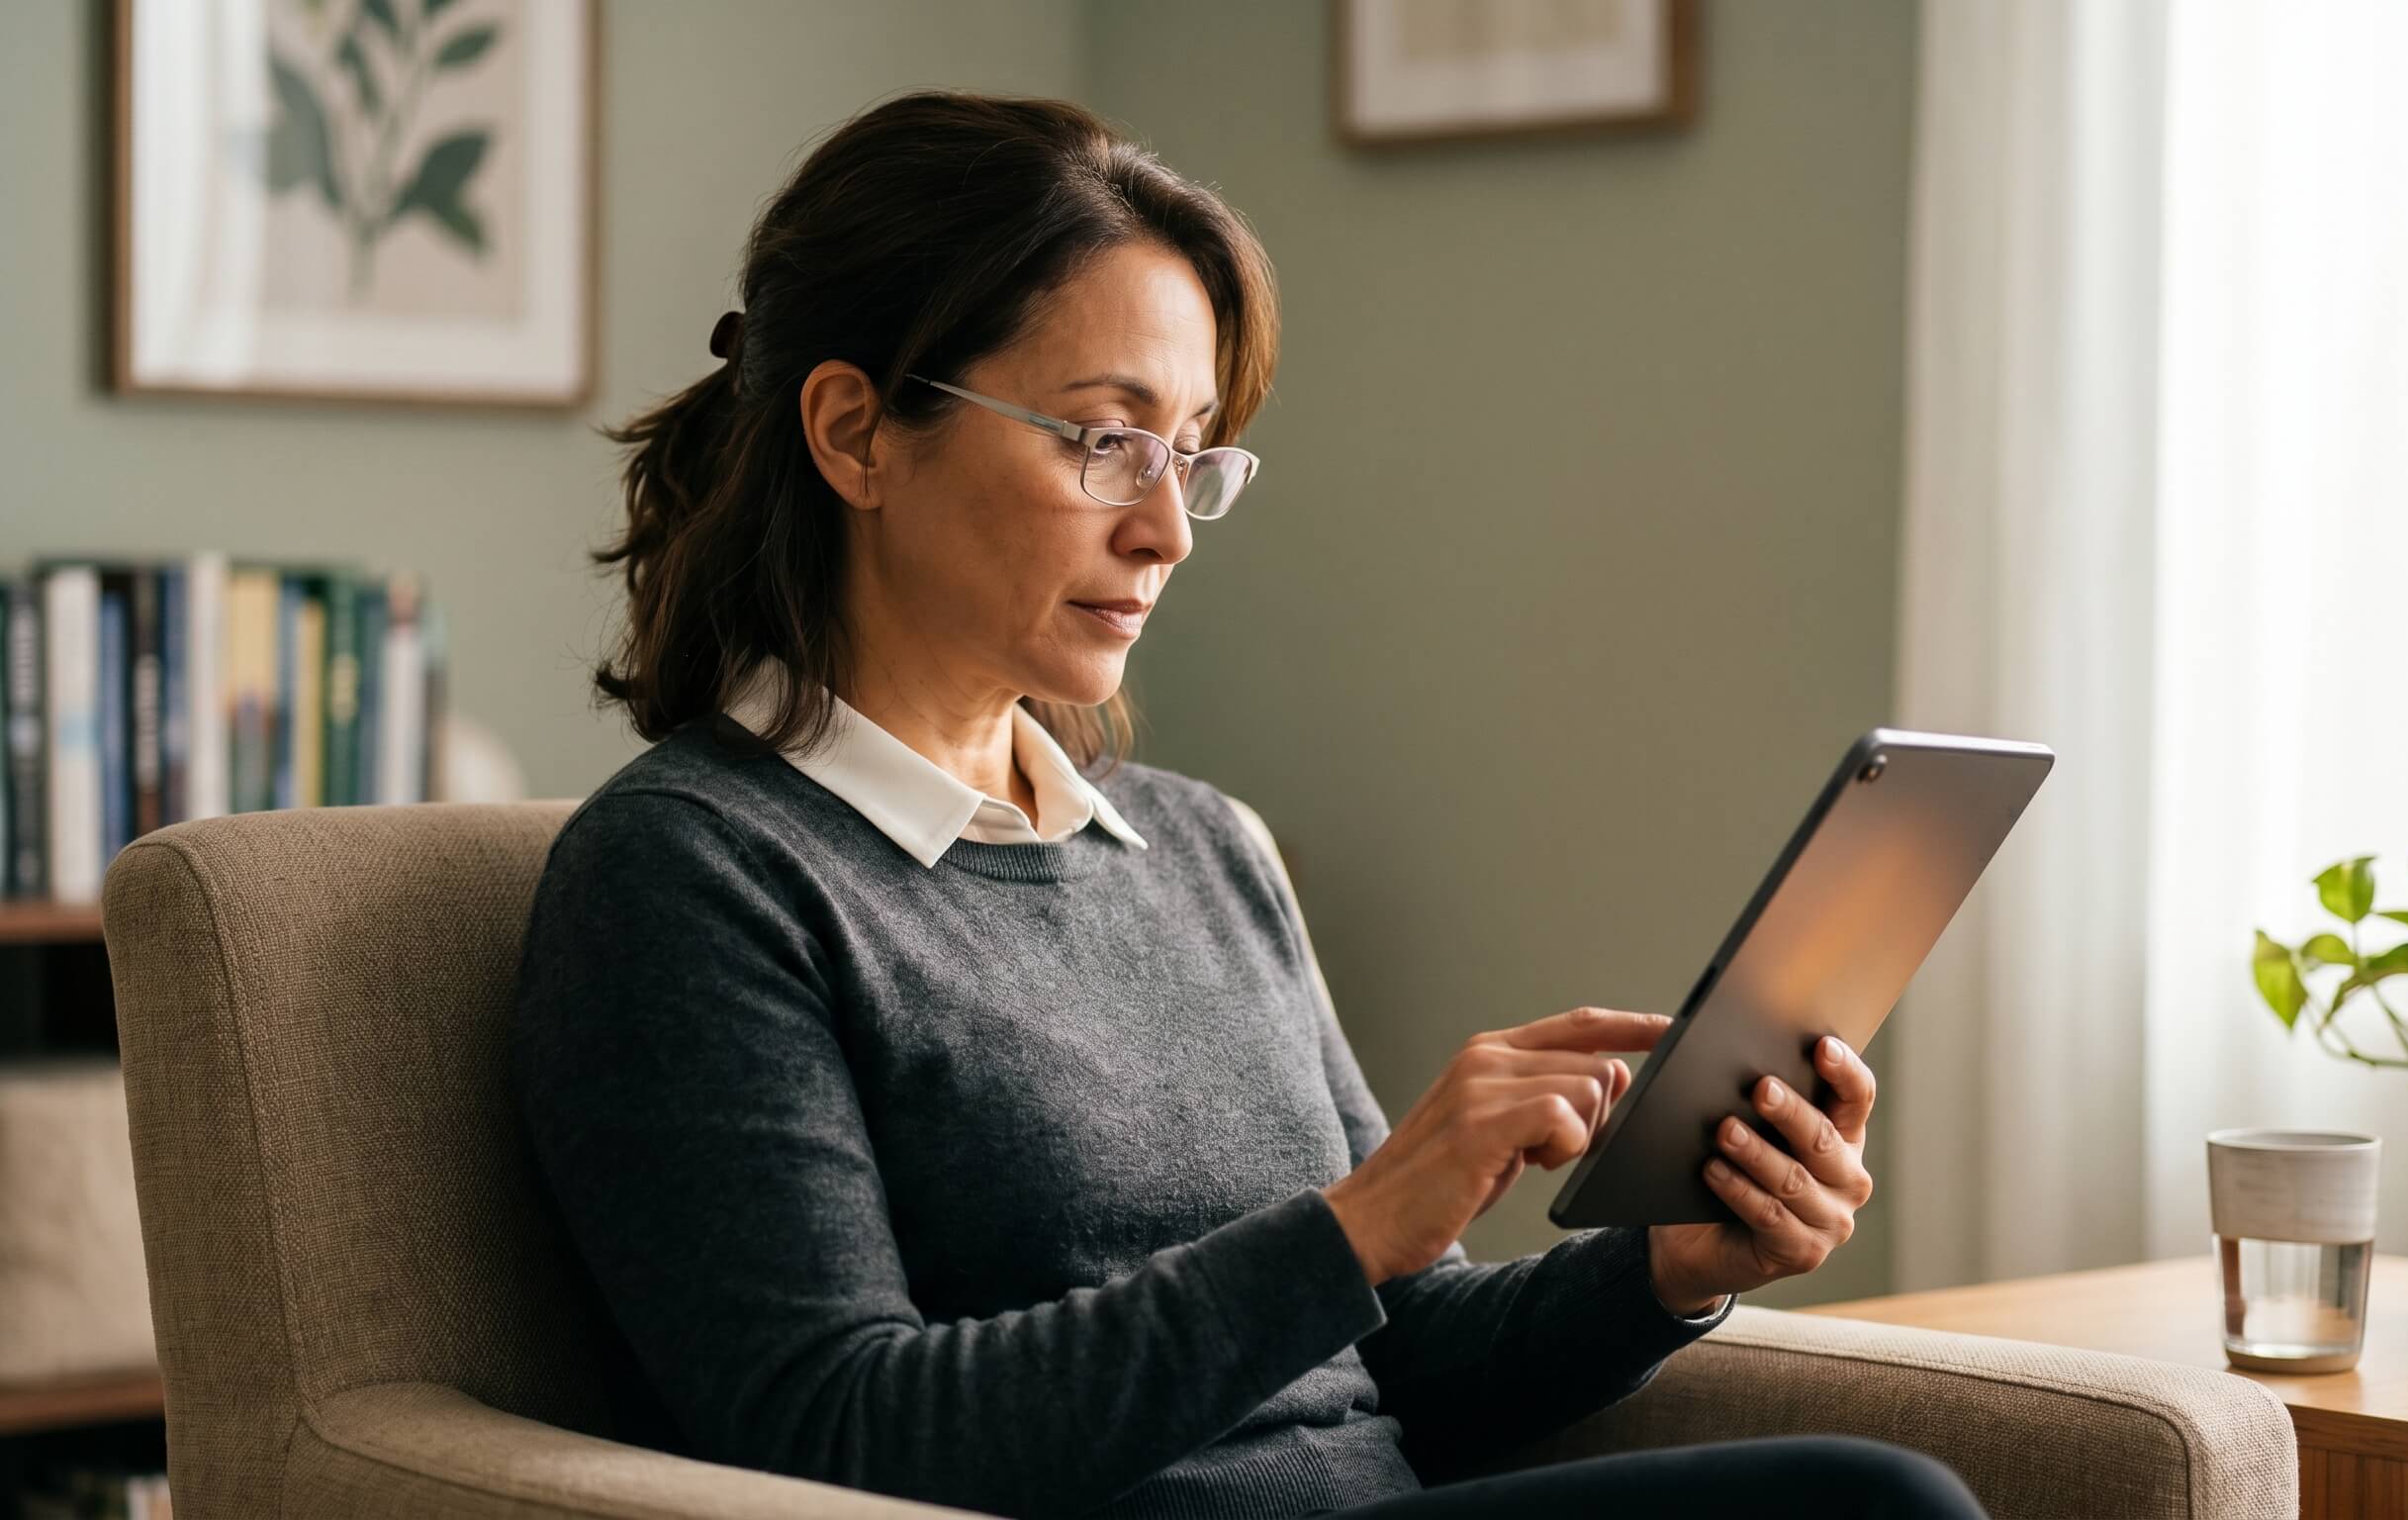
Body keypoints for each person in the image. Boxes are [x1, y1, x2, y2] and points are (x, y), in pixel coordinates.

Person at [507, 90, 1986, 1520]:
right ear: (855, 434)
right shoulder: (691, 874)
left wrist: (1664, 1265)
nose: (1162, 531)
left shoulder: (1201, 847)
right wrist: (1354, 1227)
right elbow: (838, 1433)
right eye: (1103, 440)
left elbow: (1397, 1371)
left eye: (1192, 455)